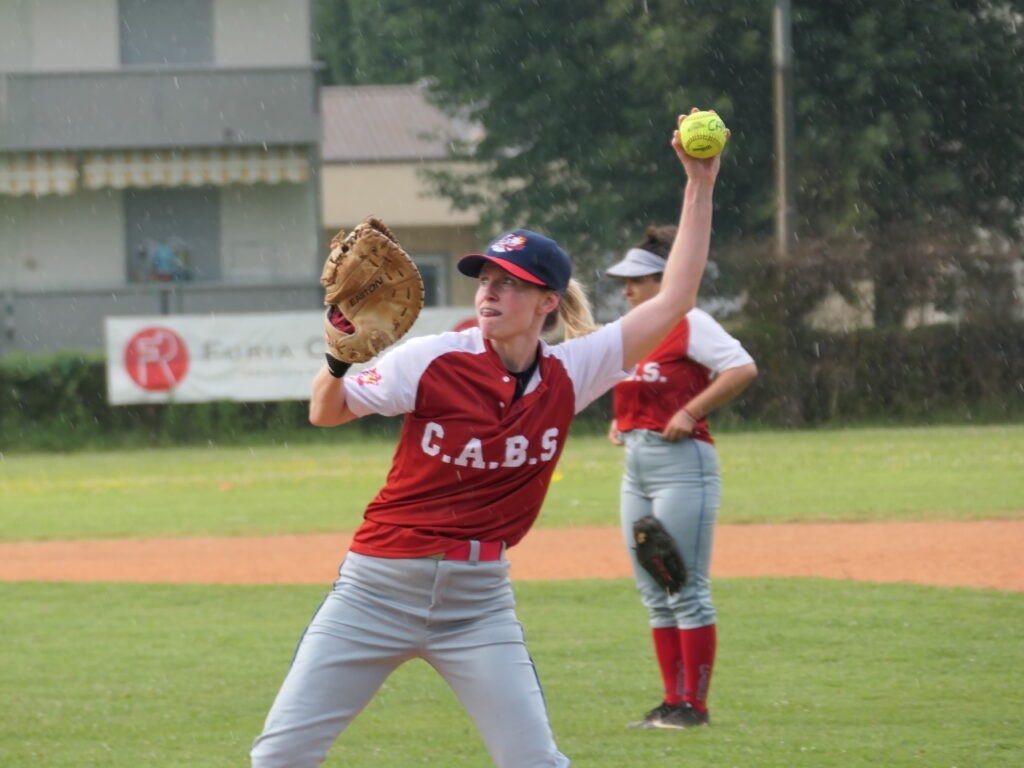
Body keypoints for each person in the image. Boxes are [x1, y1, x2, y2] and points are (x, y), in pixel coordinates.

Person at [250, 108, 726, 768]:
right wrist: (336, 358)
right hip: (377, 590)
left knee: (537, 762)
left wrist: (699, 184)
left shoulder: (572, 370)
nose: (490, 293)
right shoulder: (432, 359)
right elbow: (325, 413)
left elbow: (675, 298)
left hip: (479, 606)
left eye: (511, 284)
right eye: (486, 280)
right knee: (281, 757)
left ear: (547, 303)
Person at [604, 228, 758, 730]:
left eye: (638, 280)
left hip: (682, 464)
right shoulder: (636, 326)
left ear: (665, 280)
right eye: (625, 282)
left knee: (684, 586)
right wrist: (620, 417)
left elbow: (741, 368)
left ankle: (696, 706)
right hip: (639, 466)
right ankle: (672, 700)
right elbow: (634, 383)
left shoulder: (690, 322)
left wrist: (691, 411)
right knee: (654, 585)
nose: (627, 289)